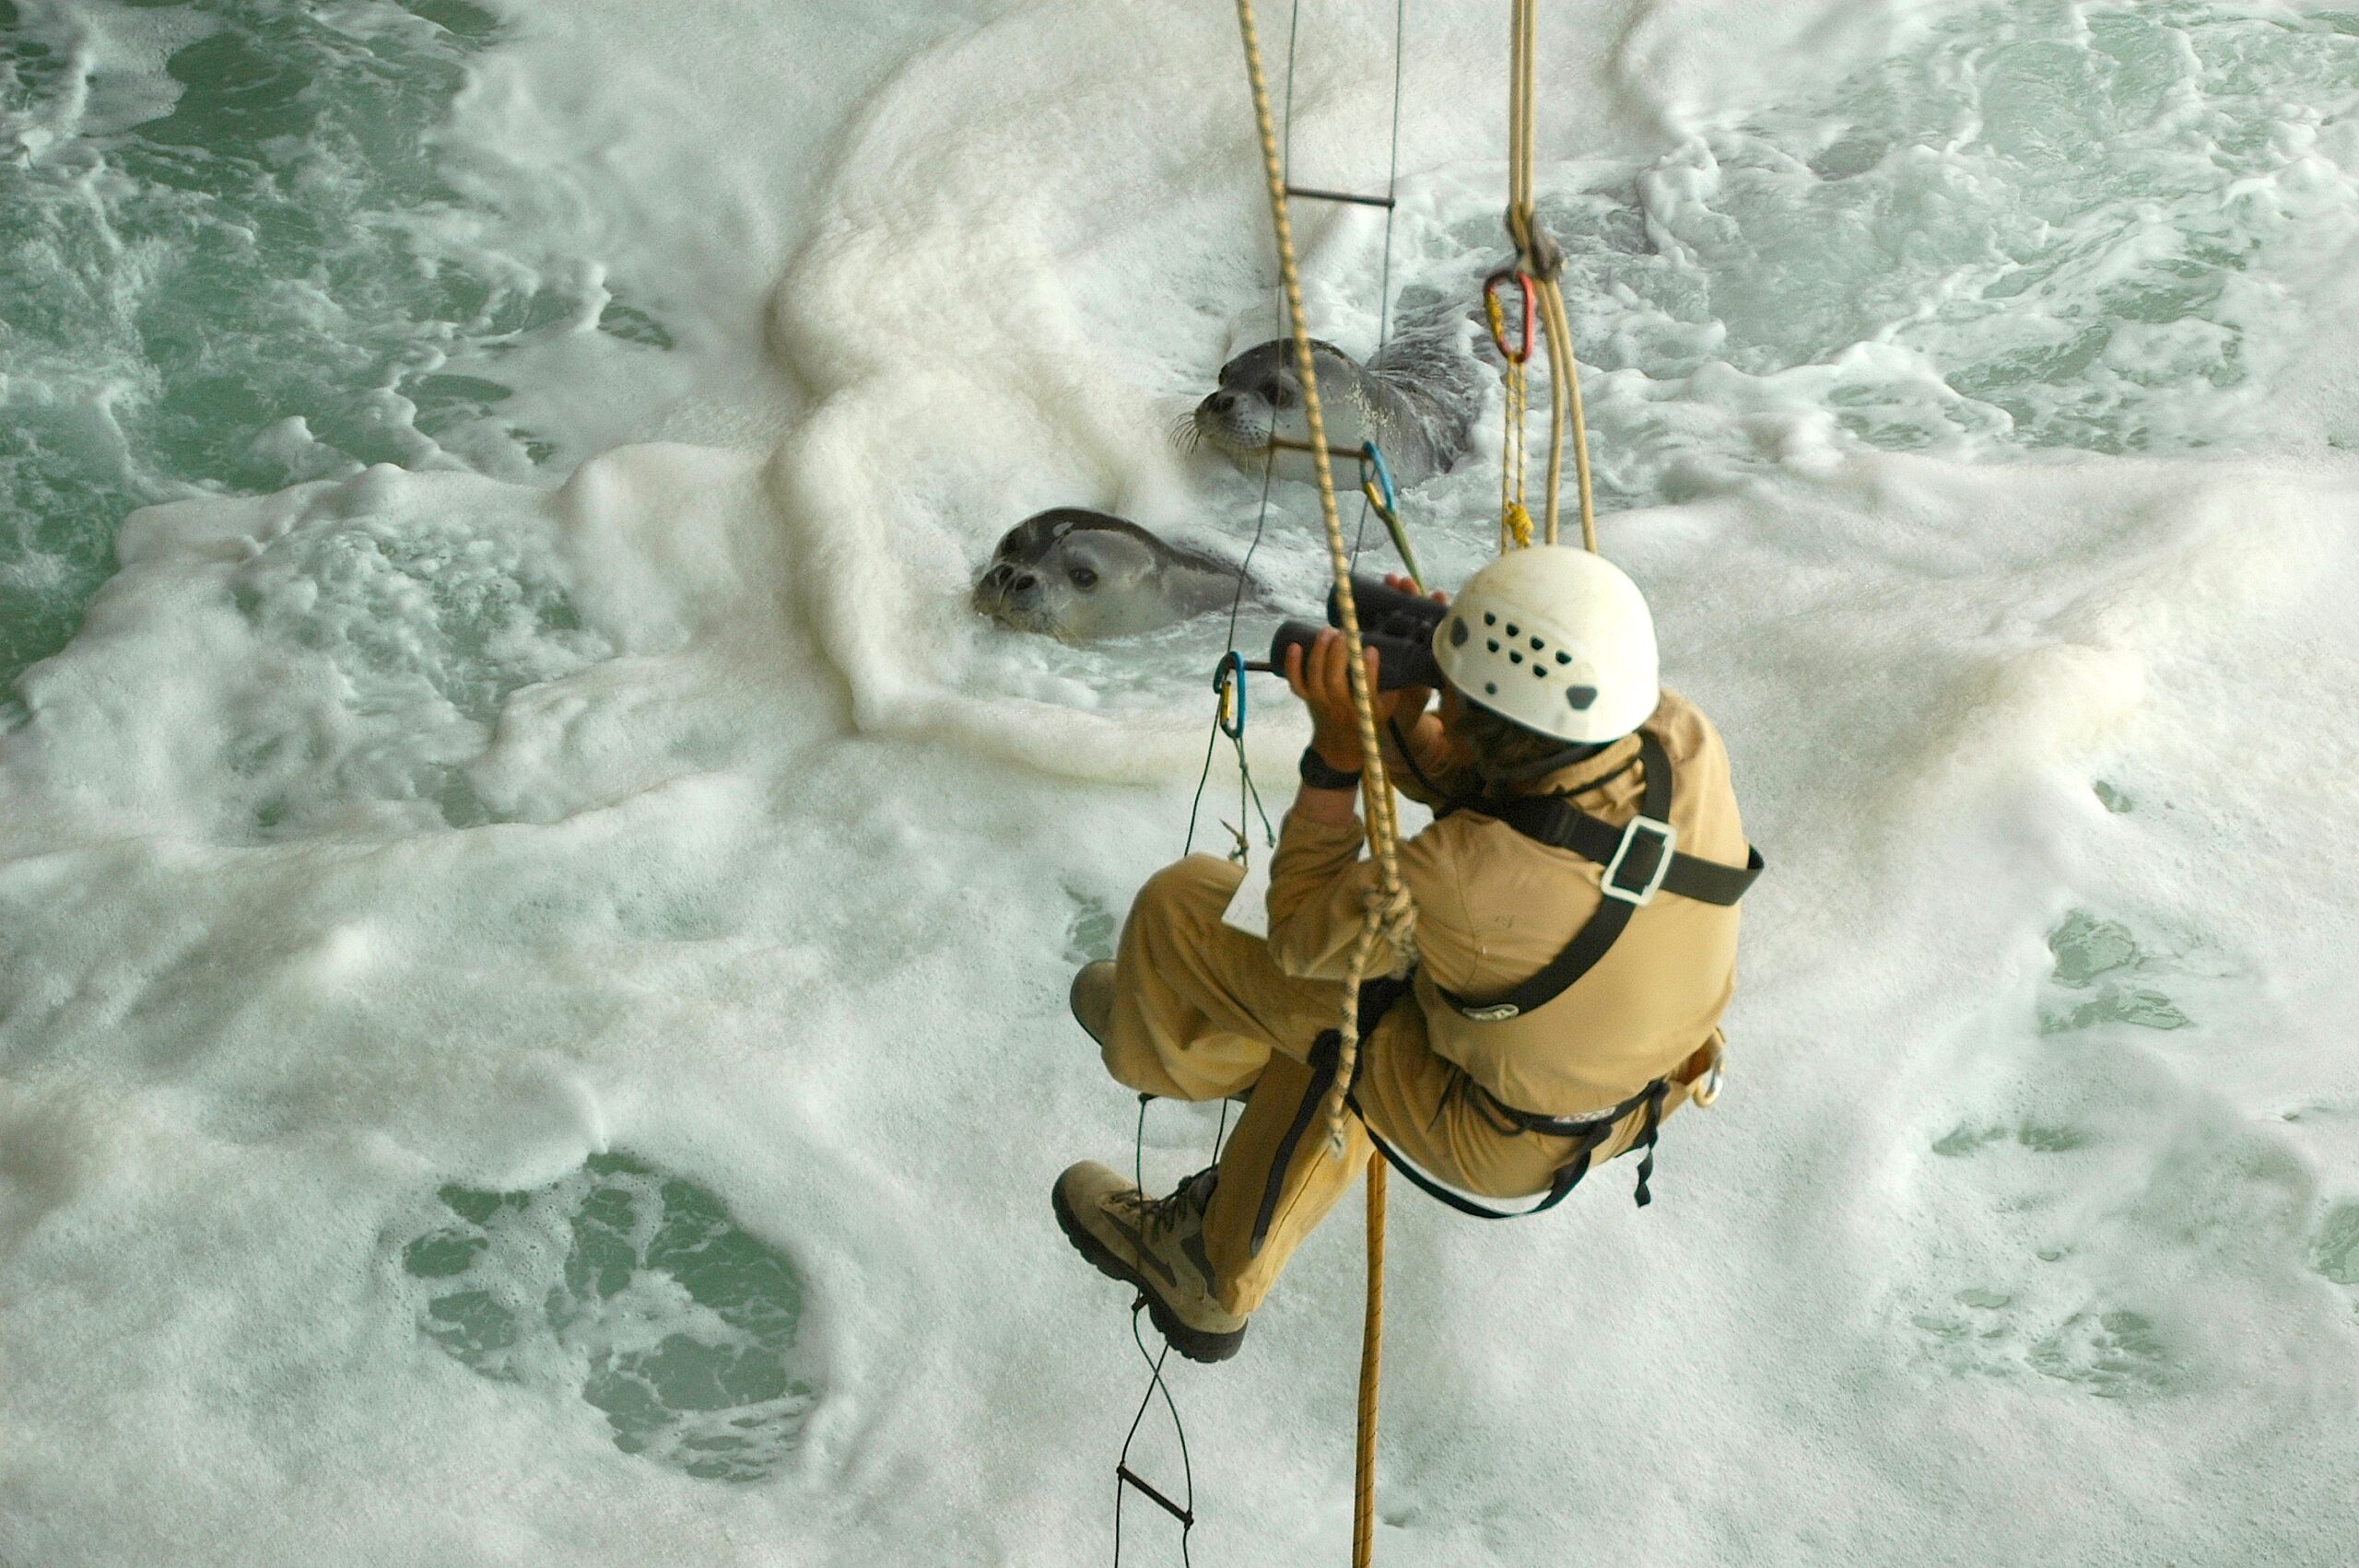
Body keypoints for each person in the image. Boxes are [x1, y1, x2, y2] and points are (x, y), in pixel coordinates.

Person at [1051, 545, 1759, 1362]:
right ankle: (1223, 1040)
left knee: (1185, 910)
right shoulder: (1678, 734)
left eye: (1454, 698)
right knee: (1343, 984)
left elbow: (1301, 931)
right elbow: (1528, 802)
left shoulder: (1457, 882)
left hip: (1499, 1131)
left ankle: (1204, 1254)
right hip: (1629, 1071)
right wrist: (1409, 708)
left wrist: (1339, 753)